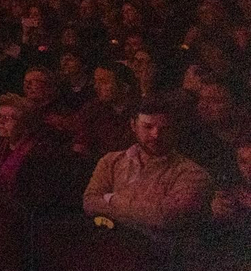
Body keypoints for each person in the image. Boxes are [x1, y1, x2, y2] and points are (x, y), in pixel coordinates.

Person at [83, 96, 212, 233]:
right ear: (133, 125)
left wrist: (111, 198)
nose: (156, 134)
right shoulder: (111, 161)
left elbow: (165, 217)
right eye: (148, 127)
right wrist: (144, 213)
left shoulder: (192, 173)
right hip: (111, 241)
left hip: (157, 251)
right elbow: (90, 202)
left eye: (165, 128)